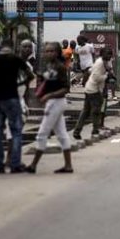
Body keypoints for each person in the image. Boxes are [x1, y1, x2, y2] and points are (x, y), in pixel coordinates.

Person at [26, 42, 73, 174]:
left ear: (57, 53)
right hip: (52, 102)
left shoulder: (60, 67)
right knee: (62, 134)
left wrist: (49, 95)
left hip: (56, 102)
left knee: (42, 133)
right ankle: (68, 165)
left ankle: (34, 165)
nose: (49, 53)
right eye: (47, 51)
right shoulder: (48, 66)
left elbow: (66, 88)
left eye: (52, 51)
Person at [0, 41, 28, 173]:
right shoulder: (15, 59)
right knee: (16, 131)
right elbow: (30, 74)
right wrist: (20, 83)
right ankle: (15, 164)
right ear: (11, 48)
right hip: (12, 97)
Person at [74, 47, 111, 140]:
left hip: (89, 88)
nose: (109, 56)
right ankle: (95, 130)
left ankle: (77, 131)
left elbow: (91, 71)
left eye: (110, 54)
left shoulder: (101, 62)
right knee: (95, 111)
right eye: (107, 54)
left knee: (86, 111)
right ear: (102, 54)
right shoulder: (100, 63)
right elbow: (96, 77)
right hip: (94, 90)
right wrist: (106, 76)